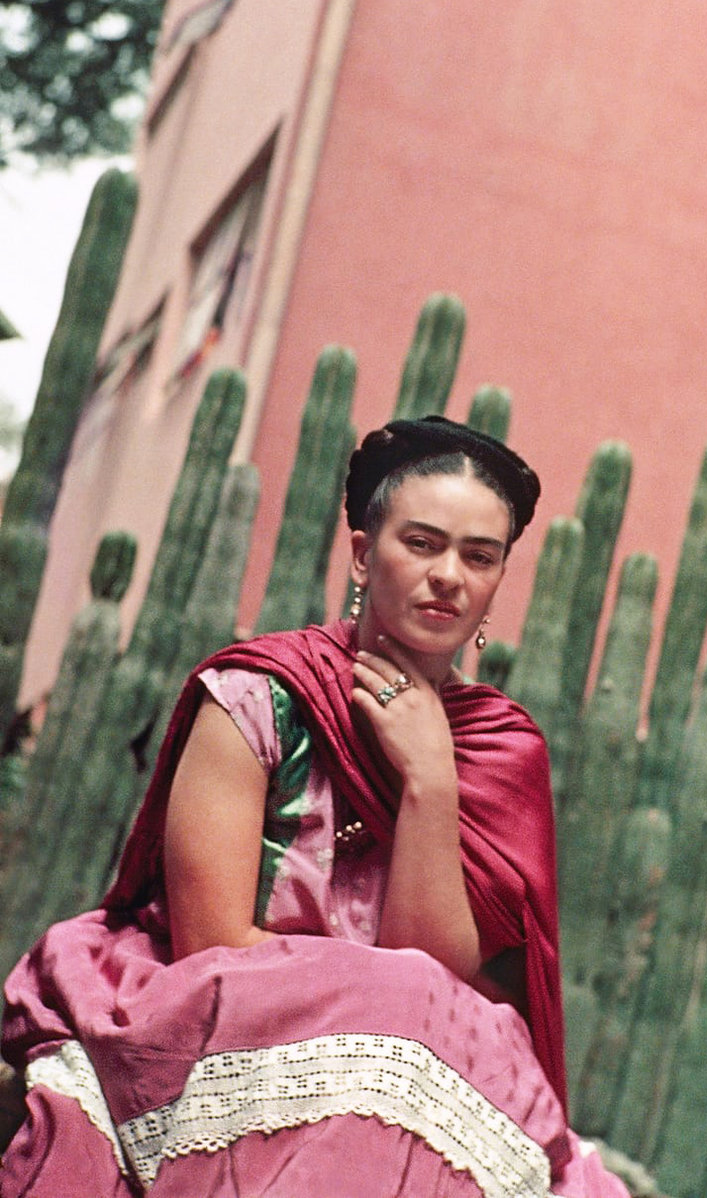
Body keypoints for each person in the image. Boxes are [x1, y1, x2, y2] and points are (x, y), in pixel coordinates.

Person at [0, 416, 630, 1197]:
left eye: (480, 556)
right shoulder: (257, 697)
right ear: (365, 554)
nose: (449, 577)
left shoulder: (500, 749)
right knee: (404, 1007)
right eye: (422, 543)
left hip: (405, 1067)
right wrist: (371, 1009)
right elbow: (212, 943)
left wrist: (431, 778)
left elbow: (430, 967)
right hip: (217, 1025)